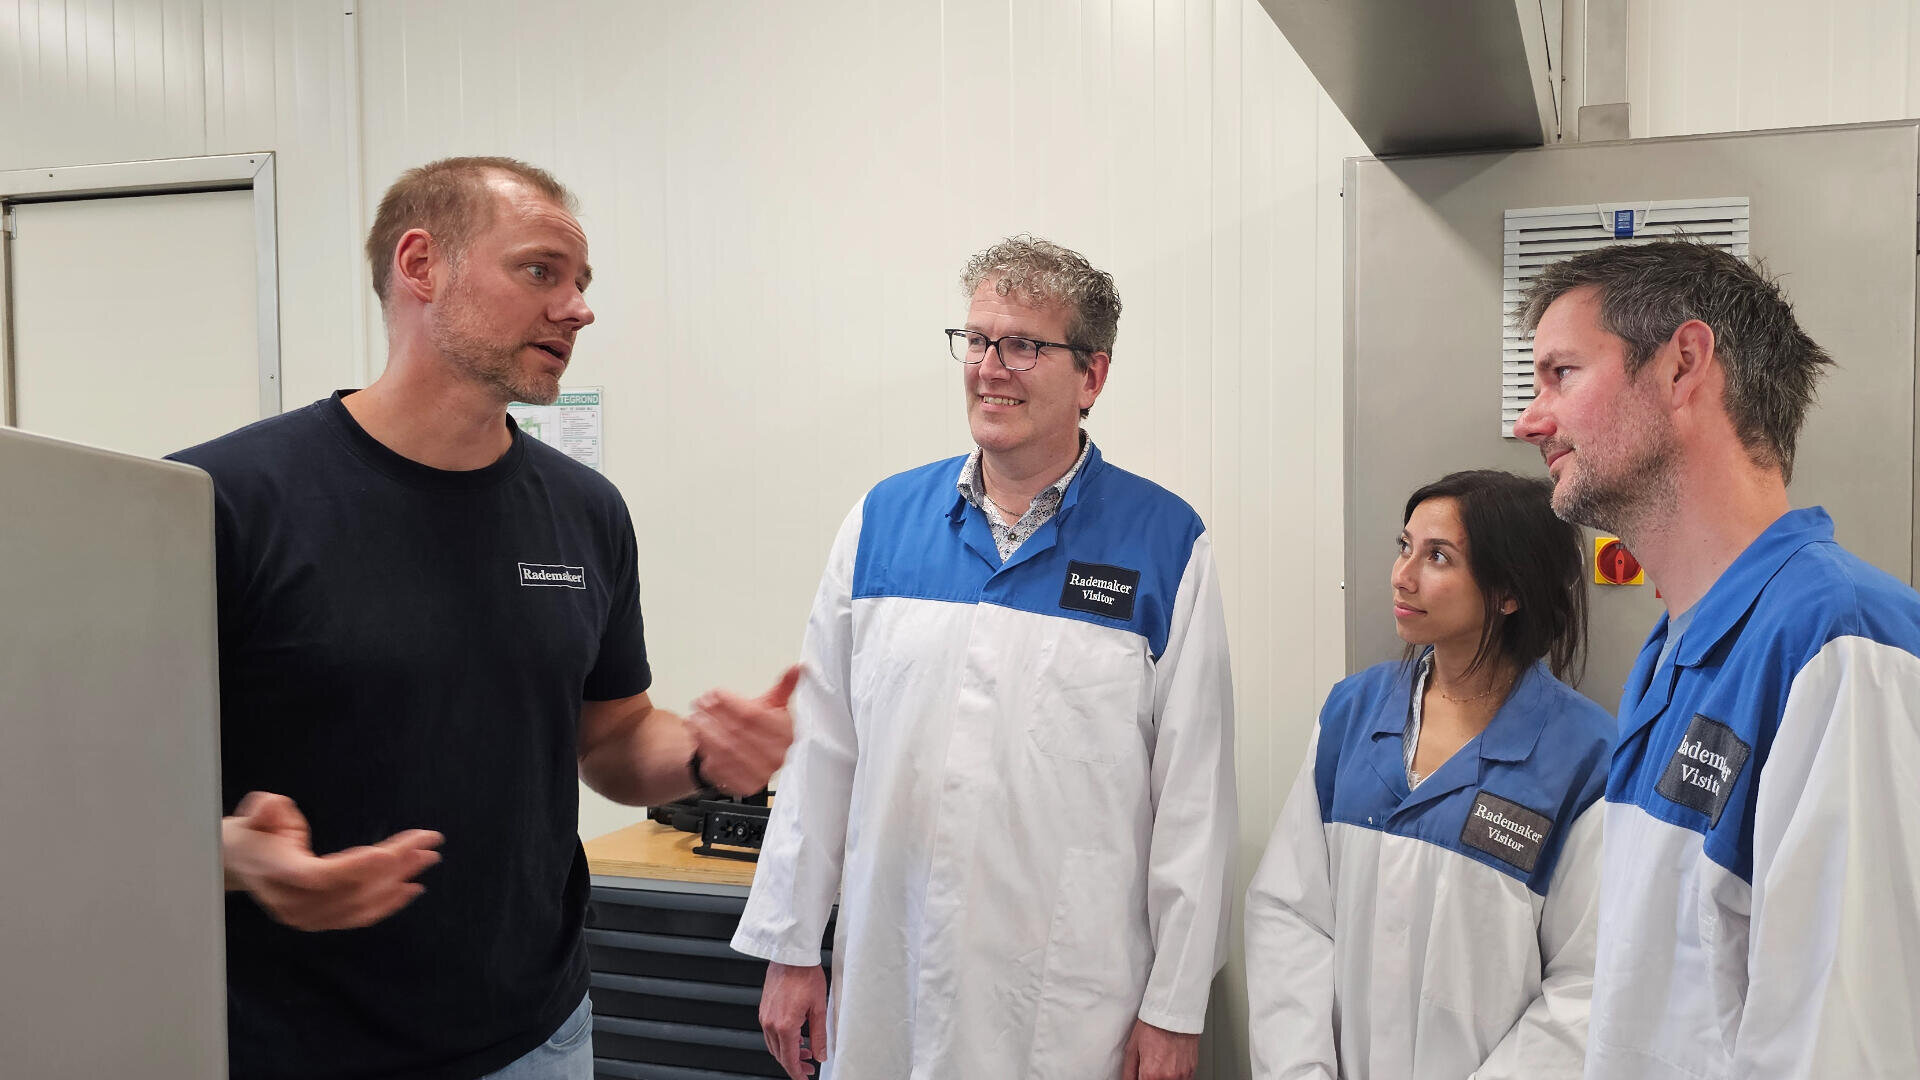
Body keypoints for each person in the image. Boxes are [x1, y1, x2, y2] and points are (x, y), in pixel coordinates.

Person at [169, 156, 797, 1080]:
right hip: (288, 1046)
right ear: (421, 266)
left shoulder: (584, 510)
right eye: (541, 271)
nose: (578, 308)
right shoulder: (221, 501)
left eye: (582, 284)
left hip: (538, 1037)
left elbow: (615, 737)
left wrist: (706, 756)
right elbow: (94, 801)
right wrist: (233, 857)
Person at [730, 236, 1237, 1080]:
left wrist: (1175, 1010)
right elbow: (823, 751)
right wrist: (791, 946)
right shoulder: (880, 522)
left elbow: (1194, 798)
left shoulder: (1167, 543)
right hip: (888, 970)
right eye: (977, 339)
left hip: (1070, 999)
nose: (990, 367)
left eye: (1025, 345)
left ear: (1092, 376)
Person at [1512, 240, 1920, 1079]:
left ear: (1682, 367)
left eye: (1561, 375)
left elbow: (1843, 1045)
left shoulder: (1838, 642)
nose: (1528, 419)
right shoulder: (1670, 658)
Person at [1245, 469, 1611, 1079]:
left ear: (1508, 591)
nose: (1402, 575)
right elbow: (1292, 912)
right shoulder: (1353, 715)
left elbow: (1588, 984)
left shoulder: (1584, 759)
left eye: (1437, 557)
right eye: (1404, 547)